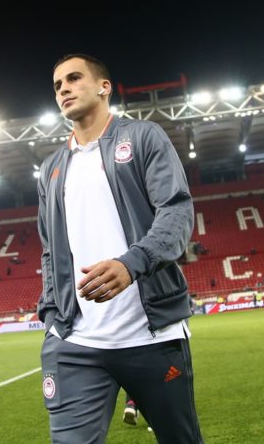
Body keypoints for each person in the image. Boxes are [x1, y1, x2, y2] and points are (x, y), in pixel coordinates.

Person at [37, 53, 203, 444]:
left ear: (104, 87)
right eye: (58, 85)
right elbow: (49, 250)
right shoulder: (50, 169)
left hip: (151, 336)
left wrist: (131, 264)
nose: (64, 89)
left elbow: (176, 212)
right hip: (75, 341)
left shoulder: (143, 138)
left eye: (74, 78)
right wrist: (51, 313)